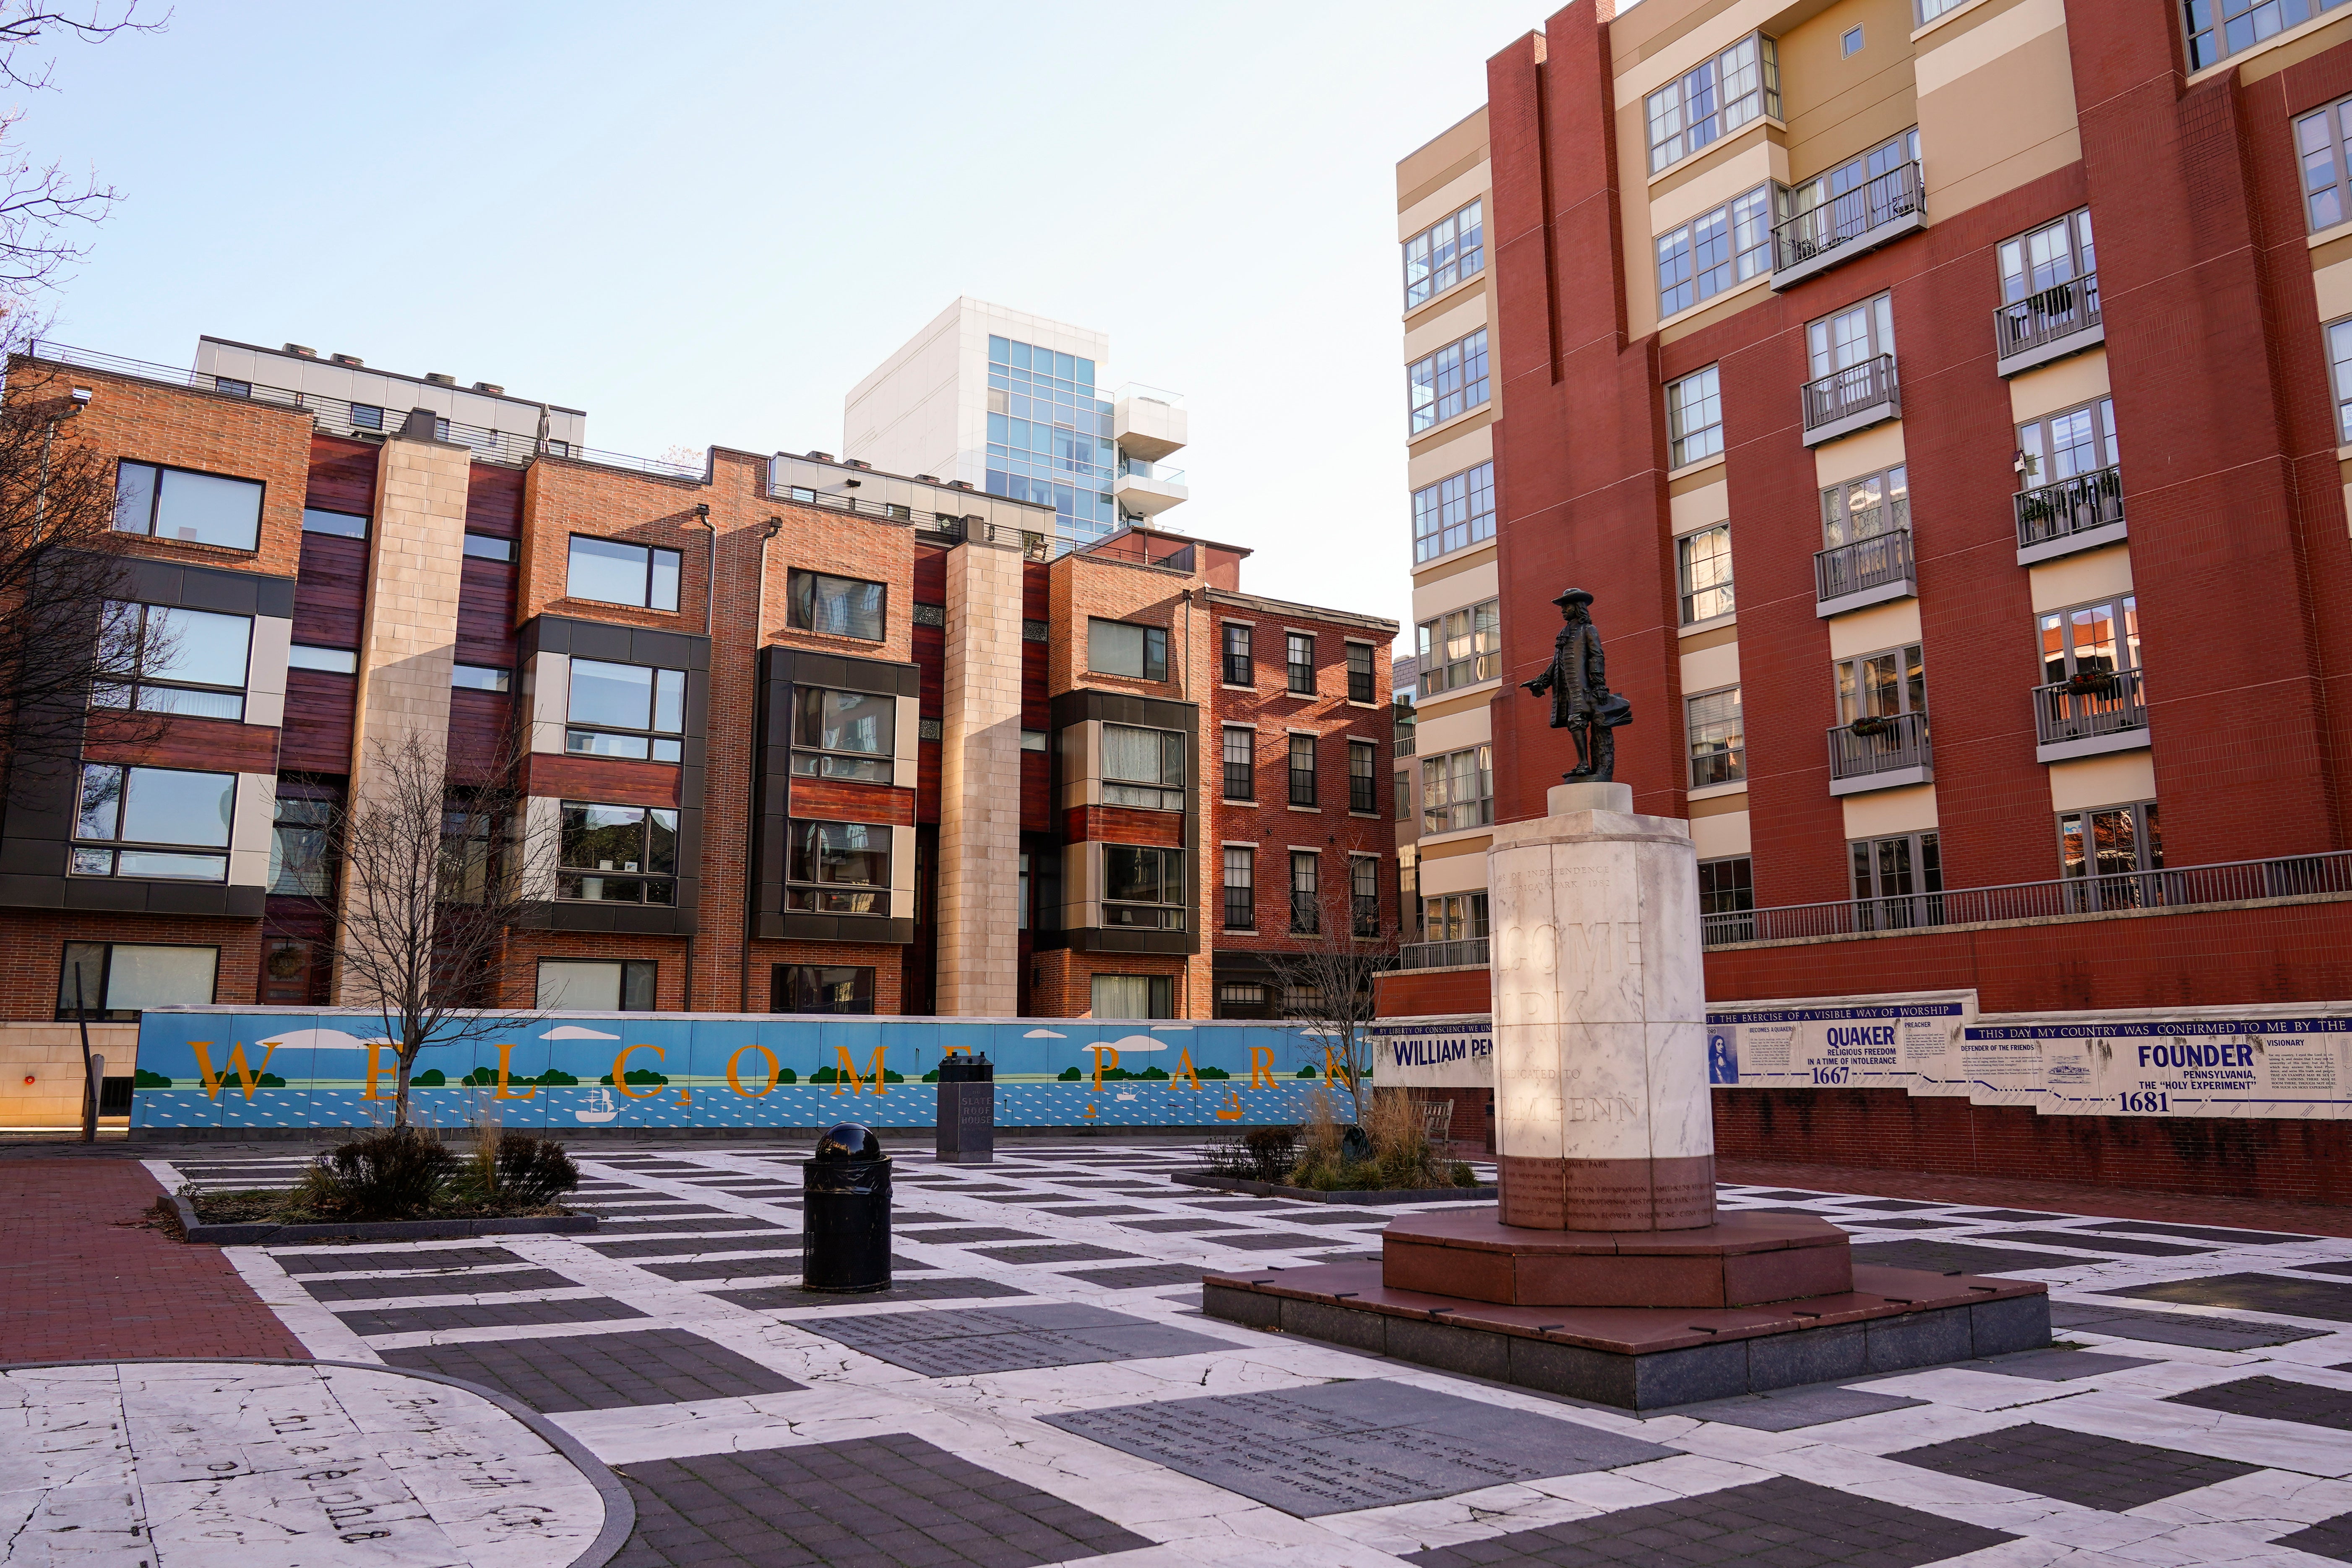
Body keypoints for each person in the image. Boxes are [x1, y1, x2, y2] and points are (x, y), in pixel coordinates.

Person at [1522, 588, 1629, 781]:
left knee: (1578, 721)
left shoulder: (1588, 630)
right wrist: (1542, 681)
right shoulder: (1564, 632)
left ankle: (1585, 765)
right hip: (1565, 688)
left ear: (1577, 607)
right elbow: (1556, 661)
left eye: (1567, 606)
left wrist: (1599, 685)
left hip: (1583, 687)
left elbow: (1597, 657)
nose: (1563, 610)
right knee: (1574, 723)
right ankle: (1583, 764)